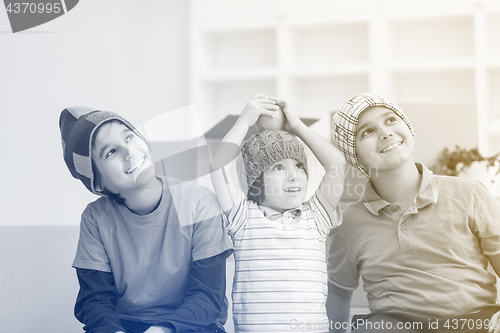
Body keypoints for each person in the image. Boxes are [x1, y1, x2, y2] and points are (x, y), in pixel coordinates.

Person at [327, 93, 500, 333]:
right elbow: (337, 294)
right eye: (366, 132)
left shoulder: (469, 194)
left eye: (390, 120)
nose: (385, 133)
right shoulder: (348, 223)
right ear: (352, 153)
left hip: (475, 322)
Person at [59, 106, 234, 333]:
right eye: (110, 152)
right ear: (97, 183)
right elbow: (95, 301)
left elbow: (207, 296)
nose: (129, 151)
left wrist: (162, 330)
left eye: (129, 137)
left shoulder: (199, 202)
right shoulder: (95, 218)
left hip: (192, 326)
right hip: (124, 327)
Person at [210, 94, 346, 332]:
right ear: (256, 182)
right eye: (278, 167)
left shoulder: (315, 217)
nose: (293, 176)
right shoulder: (244, 218)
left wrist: (297, 127)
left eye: (299, 166)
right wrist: (244, 121)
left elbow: (336, 164)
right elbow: (218, 166)